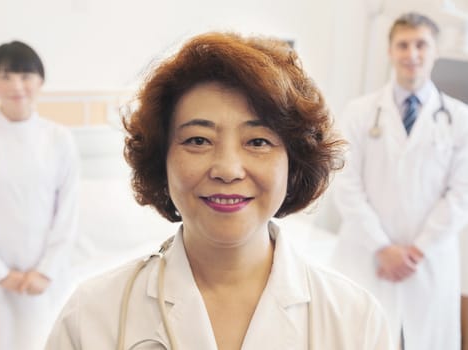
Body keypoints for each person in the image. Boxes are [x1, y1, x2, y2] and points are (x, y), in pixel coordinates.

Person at [45, 32, 393, 350]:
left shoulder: (354, 322)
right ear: (161, 159)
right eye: (198, 140)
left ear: (293, 161)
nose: (227, 169)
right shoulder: (93, 316)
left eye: (257, 141)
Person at [332, 12, 468, 350]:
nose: (412, 54)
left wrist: (416, 250)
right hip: (367, 255)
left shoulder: (460, 118)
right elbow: (346, 184)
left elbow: (461, 194)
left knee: (423, 339)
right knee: (360, 337)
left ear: (435, 51)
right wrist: (383, 247)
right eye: (403, 44)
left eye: (421, 44)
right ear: (390, 51)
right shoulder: (360, 112)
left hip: (429, 260)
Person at [0, 41, 80, 350]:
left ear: (40, 80)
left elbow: (67, 214)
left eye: (25, 75)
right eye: (5, 76)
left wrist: (45, 271)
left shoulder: (59, 139)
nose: (16, 86)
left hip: (45, 281)